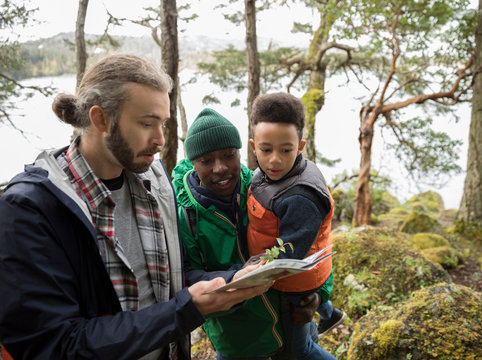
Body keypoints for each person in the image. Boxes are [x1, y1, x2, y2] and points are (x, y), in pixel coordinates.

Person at [0, 54, 270, 360]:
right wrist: (184, 312)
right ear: (101, 119)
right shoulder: (30, 209)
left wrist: (232, 279)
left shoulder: (155, 181)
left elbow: (170, 285)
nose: (159, 140)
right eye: (146, 124)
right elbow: (52, 345)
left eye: (163, 124)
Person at [171, 108, 332, 360]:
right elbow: (184, 277)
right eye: (206, 160)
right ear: (192, 162)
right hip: (240, 342)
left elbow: (315, 241)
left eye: (229, 155)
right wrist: (235, 277)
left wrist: (317, 295)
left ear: (242, 151)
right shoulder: (184, 215)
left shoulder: (264, 187)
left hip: (293, 325)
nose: (220, 168)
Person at [247, 92, 346, 360]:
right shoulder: (274, 173)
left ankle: (323, 317)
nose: (275, 160)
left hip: (295, 282)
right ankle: (329, 314)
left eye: (286, 150)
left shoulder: (300, 196)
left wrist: (251, 269)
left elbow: (290, 254)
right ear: (254, 146)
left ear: (300, 146)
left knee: (297, 350)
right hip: (305, 271)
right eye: (266, 150)